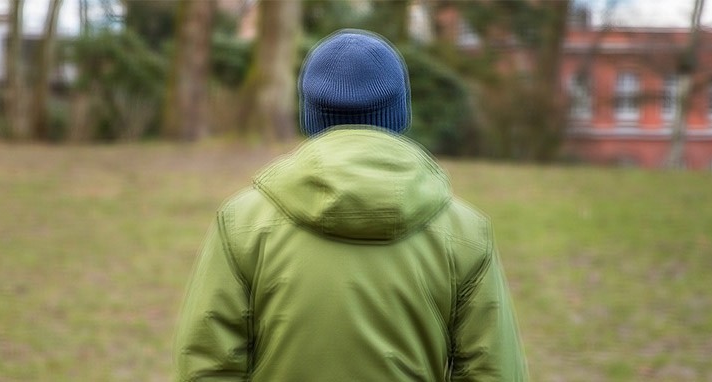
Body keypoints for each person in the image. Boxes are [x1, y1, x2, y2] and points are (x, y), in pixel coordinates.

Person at [173, 29, 528, 381]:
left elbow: (206, 367)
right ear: (399, 112)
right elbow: (495, 373)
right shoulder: (465, 234)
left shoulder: (242, 223)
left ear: (310, 115)